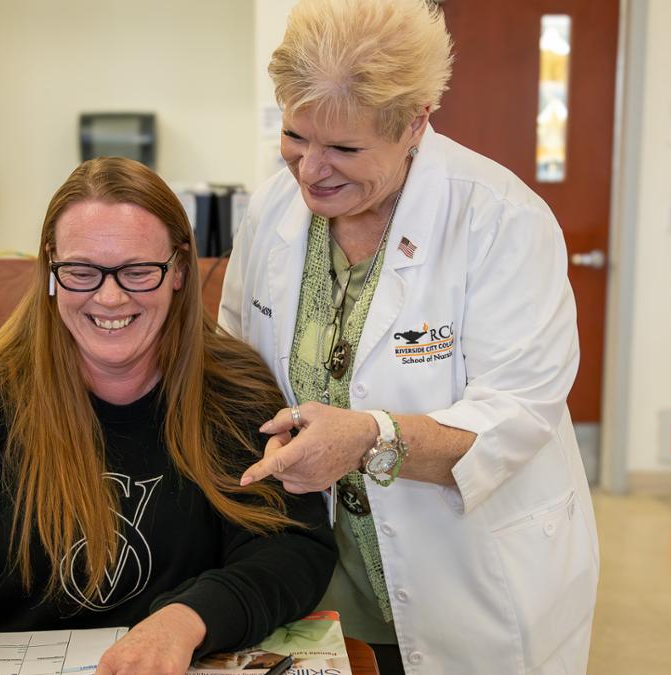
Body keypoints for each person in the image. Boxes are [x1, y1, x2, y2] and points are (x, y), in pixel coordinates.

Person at [0, 157, 336, 675]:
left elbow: (291, 548)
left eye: (137, 271)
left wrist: (188, 619)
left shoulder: (235, 391)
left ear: (179, 270)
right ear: (51, 270)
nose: (110, 297)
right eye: (82, 272)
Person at [219, 0, 599, 673]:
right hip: (319, 584)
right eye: (295, 136)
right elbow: (236, 355)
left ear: (415, 122)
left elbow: (515, 415)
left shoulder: (501, 220)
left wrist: (372, 436)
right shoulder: (274, 209)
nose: (310, 169)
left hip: (472, 581)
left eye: (343, 148)